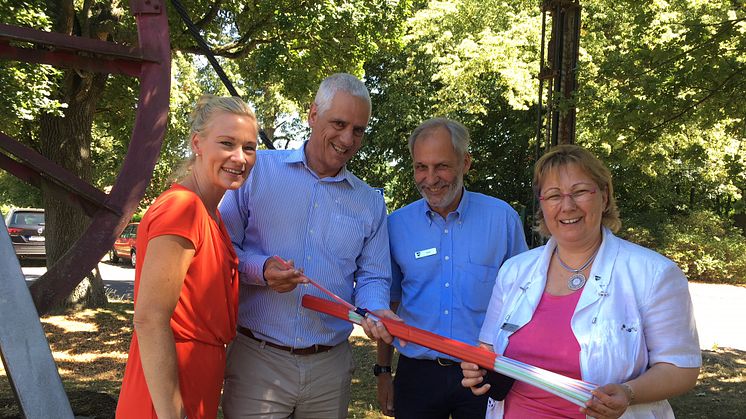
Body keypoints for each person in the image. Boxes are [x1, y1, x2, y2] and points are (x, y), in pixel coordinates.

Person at [460, 144, 701, 419]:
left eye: (580, 191)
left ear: (605, 196)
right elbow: (489, 348)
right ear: (542, 204)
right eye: (553, 195)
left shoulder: (653, 273)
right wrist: (479, 368)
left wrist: (629, 392)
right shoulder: (515, 271)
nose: (567, 205)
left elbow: (681, 368)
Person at [220, 73, 397, 419]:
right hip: (258, 357)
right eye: (339, 123)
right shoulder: (256, 172)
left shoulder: (370, 202)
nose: (348, 139)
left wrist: (376, 309)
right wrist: (262, 270)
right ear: (313, 115)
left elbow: (374, 277)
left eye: (358, 130)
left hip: (329, 368)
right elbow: (222, 252)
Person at [373, 118, 528, 418]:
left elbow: (522, 304)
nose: (430, 178)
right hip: (417, 375)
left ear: (465, 162)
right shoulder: (396, 226)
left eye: (441, 166)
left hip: (482, 374)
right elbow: (388, 306)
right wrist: (382, 371)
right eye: (421, 167)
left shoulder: (502, 220)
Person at [116, 95, 259, 418]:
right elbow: (150, 318)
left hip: (197, 380)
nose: (239, 158)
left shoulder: (210, 213)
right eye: (227, 143)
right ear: (198, 143)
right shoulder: (183, 207)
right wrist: (173, 412)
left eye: (249, 148)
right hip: (169, 391)